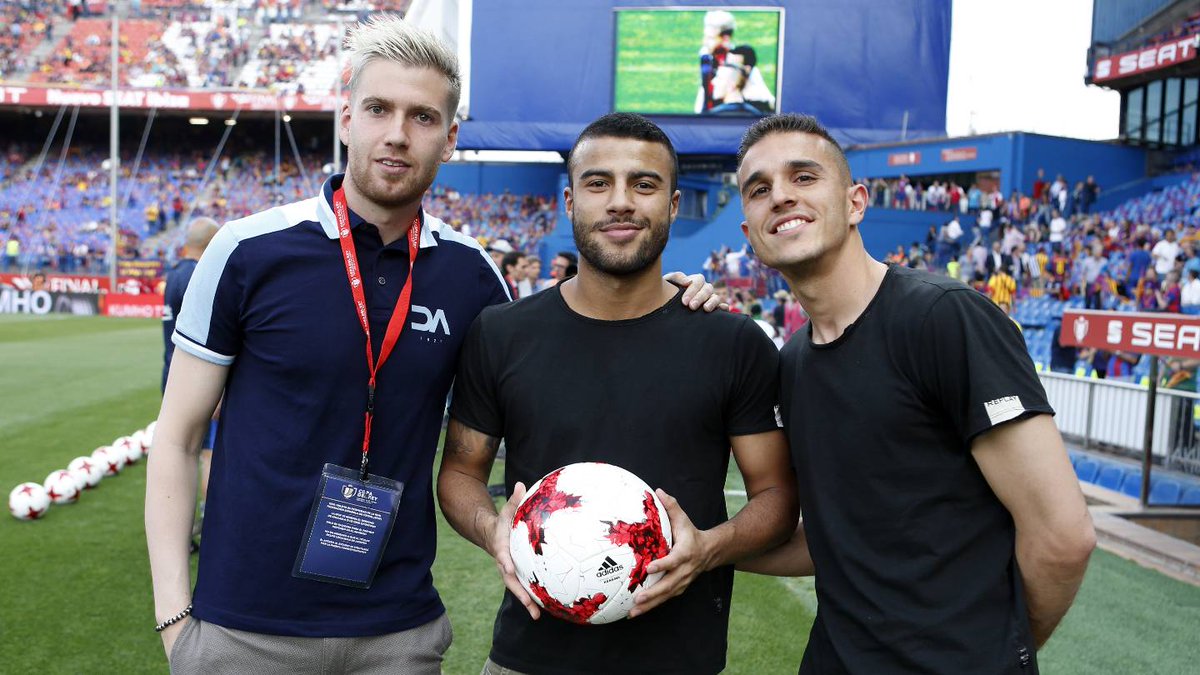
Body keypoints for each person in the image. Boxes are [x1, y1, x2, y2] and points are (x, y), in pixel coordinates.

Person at [146, 18, 719, 674]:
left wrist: (665, 296)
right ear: (346, 119)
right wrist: (175, 620)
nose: (397, 133)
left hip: (398, 635)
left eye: (422, 117)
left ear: (449, 139)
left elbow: (568, 348)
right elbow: (178, 438)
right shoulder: (247, 251)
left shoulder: (472, 276)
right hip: (244, 631)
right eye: (378, 109)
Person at [733, 113, 1095, 674]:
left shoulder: (945, 318)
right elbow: (837, 542)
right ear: (749, 234)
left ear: (856, 203)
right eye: (759, 189)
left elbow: (1063, 536)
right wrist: (706, 550)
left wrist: (1001, 656)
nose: (780, 196)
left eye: (803, 177)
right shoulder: (794, 364)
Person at [437, 112, 797, 675]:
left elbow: (775, 495)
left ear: (673, 205)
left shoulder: (733, 343)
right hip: (529, 659)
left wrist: (709, 548)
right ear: (569, 201)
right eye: (598, 183)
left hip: (679, 661)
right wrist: (493, 530)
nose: (621, 202)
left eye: (644, 184)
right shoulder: (501, 334)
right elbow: (461, 472)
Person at [160, 216, 220, 554]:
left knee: (177, 451)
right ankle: (208, 526)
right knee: (206, 454)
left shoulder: (174, 274)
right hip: (196, 380)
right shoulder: (200, 274)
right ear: (211, 243)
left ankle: (178, 532)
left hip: (170, 374)